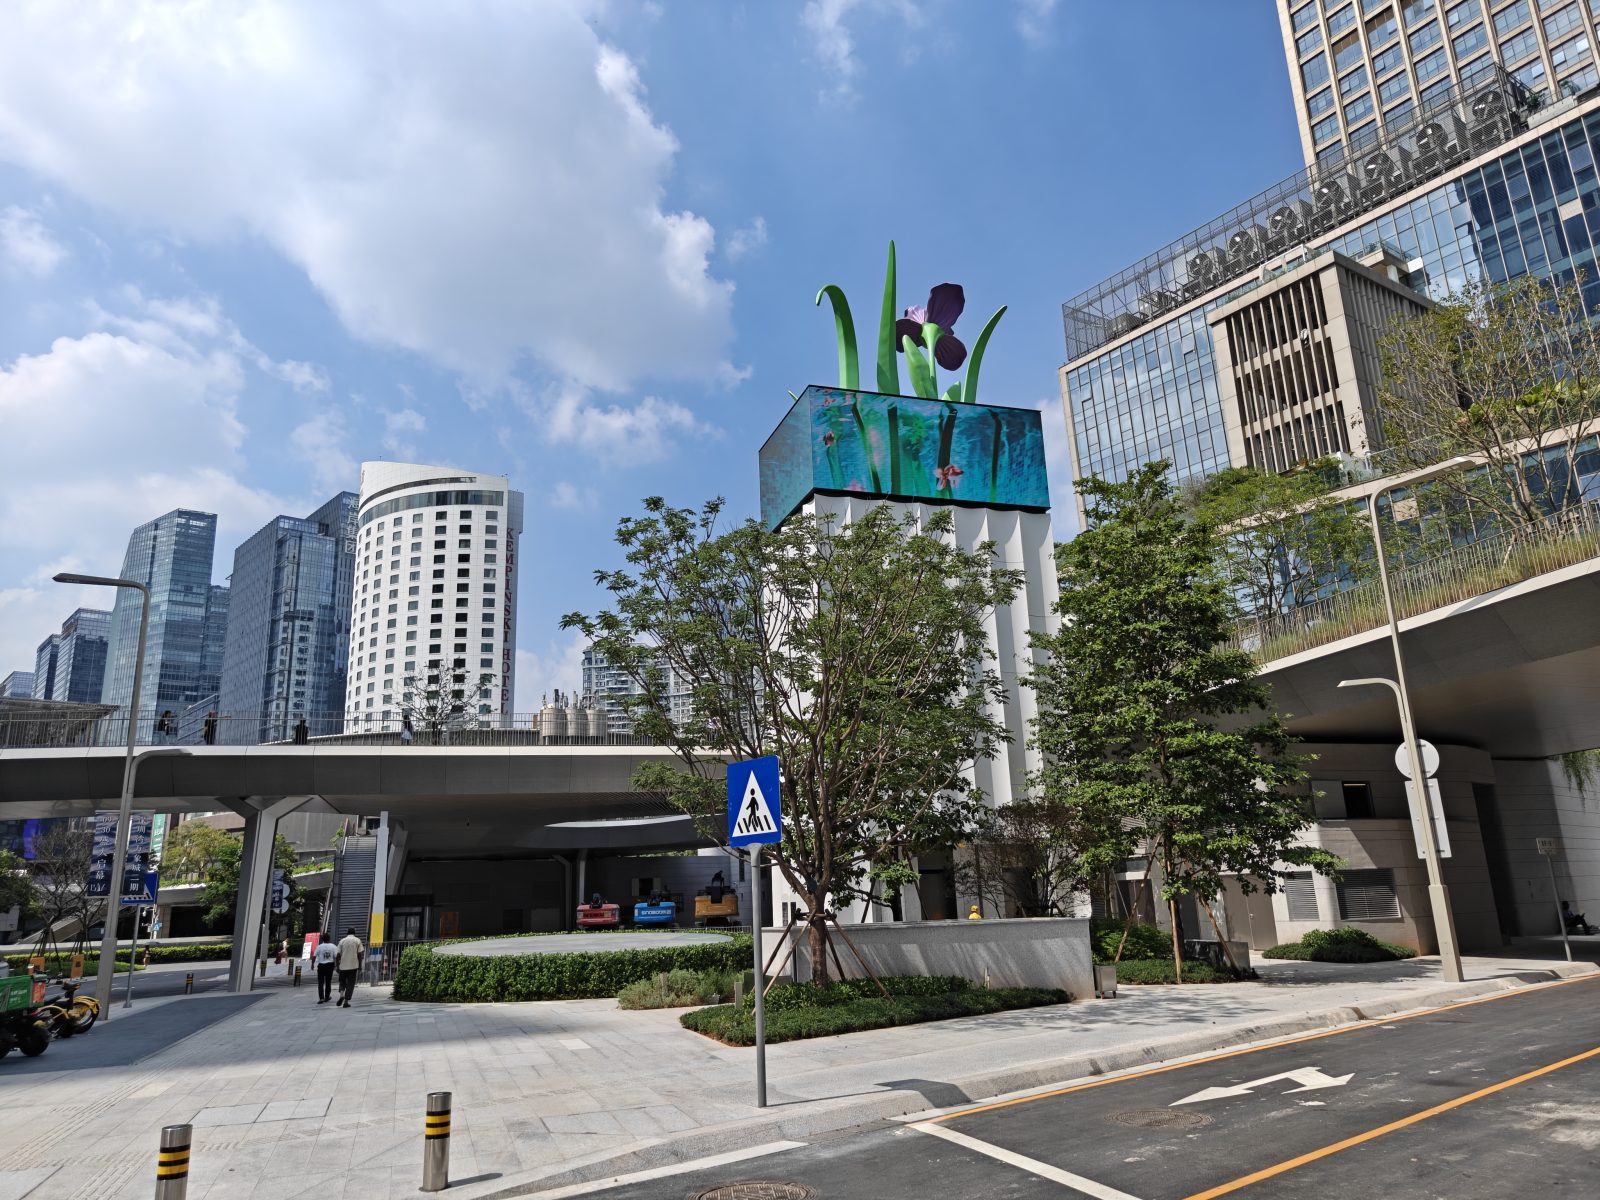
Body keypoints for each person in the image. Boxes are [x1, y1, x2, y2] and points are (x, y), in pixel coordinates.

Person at [336, 926, 364, 1007]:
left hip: (343, 966)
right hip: (353, 966)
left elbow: (338, 955)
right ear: (354, 933)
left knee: (342, 981)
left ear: (347, 933)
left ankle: (341, 995)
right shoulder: (357, 940)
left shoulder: (342, 941)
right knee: (350, 983)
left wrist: (337, 966)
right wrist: (360, 965)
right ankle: (346, 1001)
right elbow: (359, 954)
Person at [314, 934, 338, 1003]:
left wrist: (312, 964)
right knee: (328, 982)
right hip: (330, 965)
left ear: (322, 939)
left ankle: (321, 998)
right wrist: (337, 965)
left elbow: (314, 956)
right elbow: (336, 956)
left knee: (320, 982)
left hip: (321, 965)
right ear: (329, 939)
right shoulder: (333, 946)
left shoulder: (319, 946)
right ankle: (327, 997)